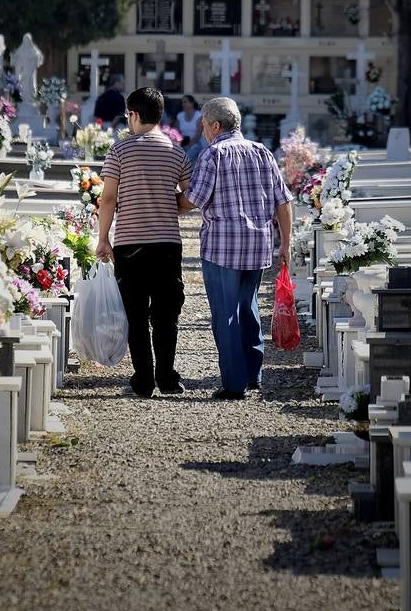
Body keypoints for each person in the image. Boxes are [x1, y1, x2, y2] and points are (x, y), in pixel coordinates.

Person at [178, 97, 293, 400]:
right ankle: (253, 374)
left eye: (204, 124)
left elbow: (193, 200)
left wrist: (160, 201)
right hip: (258, 245)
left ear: (215, 125)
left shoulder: (213, 154)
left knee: (225, 314)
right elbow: (284, 201)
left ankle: (233, 383)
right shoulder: (263, 152)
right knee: (248, 307)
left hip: (223, 247)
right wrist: (287, 244)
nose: (202, 130)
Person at [95, 87, 192, 398]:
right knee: (167, 314)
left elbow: (108, 198)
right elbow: (191, 197)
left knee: (135, 315)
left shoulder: (119, 151)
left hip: (130, 243)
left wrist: (102, 239)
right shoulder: (177, 152)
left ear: (133, 115)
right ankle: (167, 377)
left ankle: (144, 379)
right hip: (167, 244)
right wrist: (166, 202)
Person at [175, 95, 207, 165]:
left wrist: (188, 146)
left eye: (185, 102)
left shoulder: (199, 116)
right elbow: (176, 133)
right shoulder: (180, 115)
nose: (183, 104)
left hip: (197, 143)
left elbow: (198, 135)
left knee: (186, 159)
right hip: (183, 142)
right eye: (182, 102)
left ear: (192, 103)